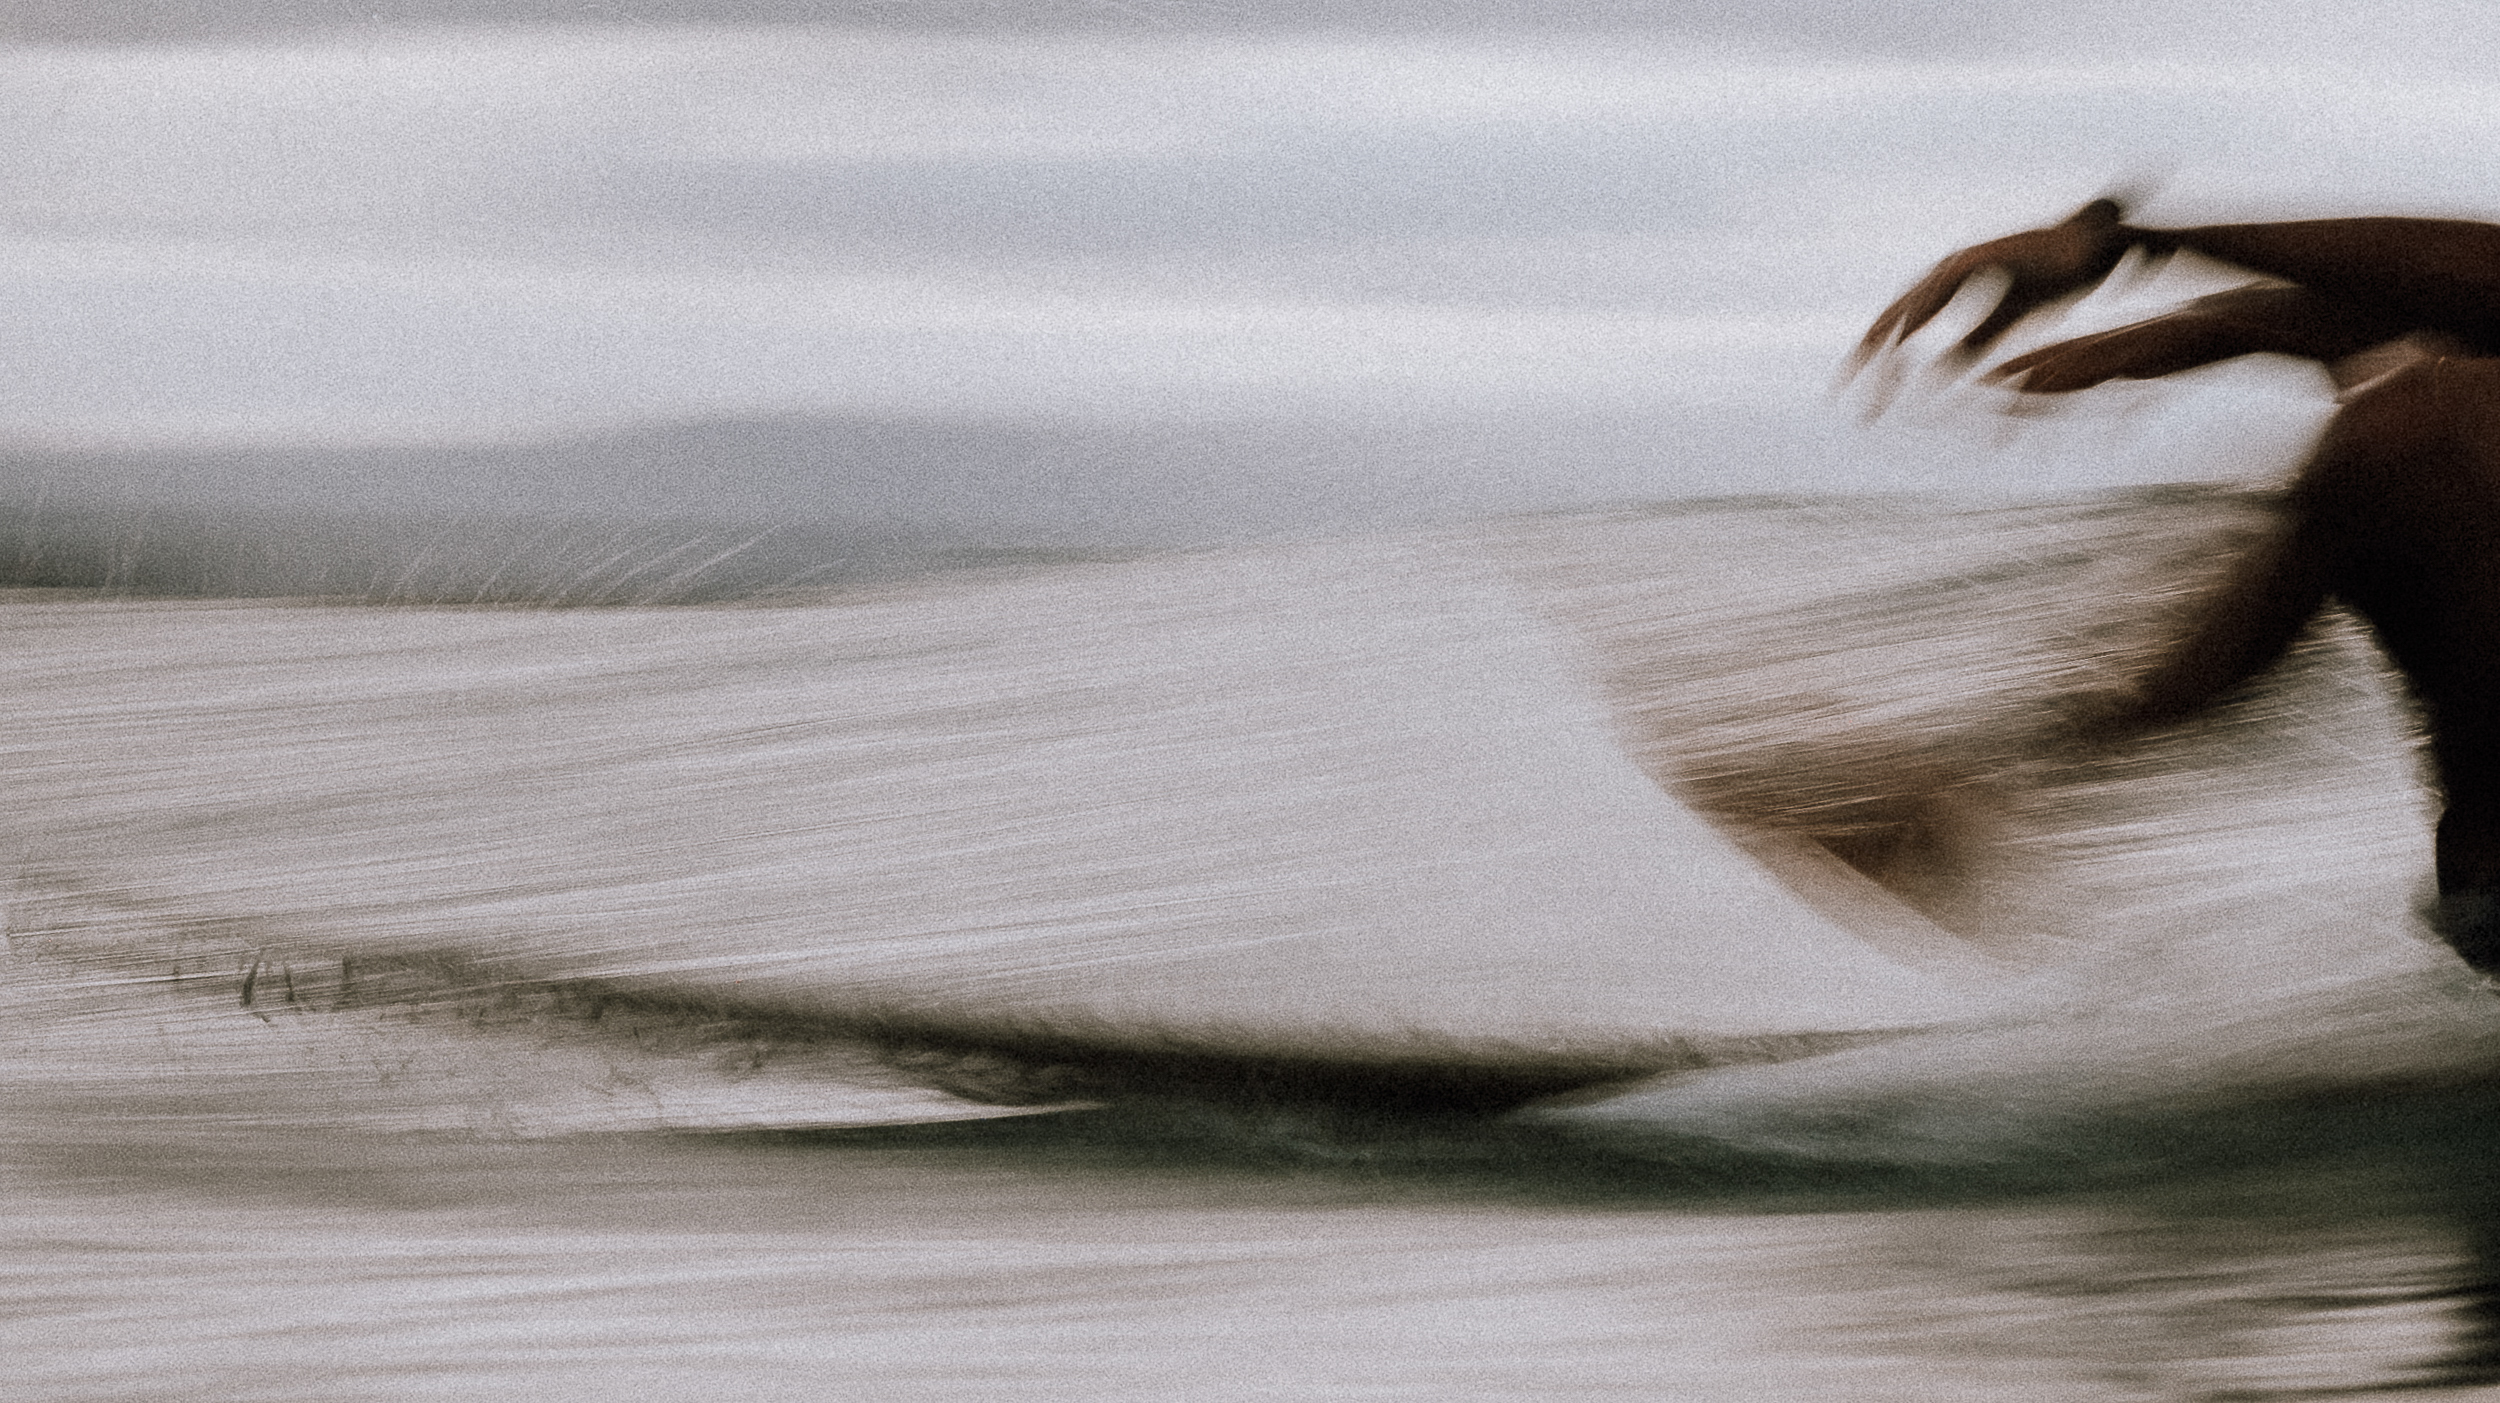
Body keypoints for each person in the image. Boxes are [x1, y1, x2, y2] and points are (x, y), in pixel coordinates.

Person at [1854, 198, 2500, 971]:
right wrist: (2192, 302)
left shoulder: (2408, 434)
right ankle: (1949, 798)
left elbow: (2467, 290)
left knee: (2408, 435)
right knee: (2410, 433)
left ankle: (1943, 802)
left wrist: (2143, 255)